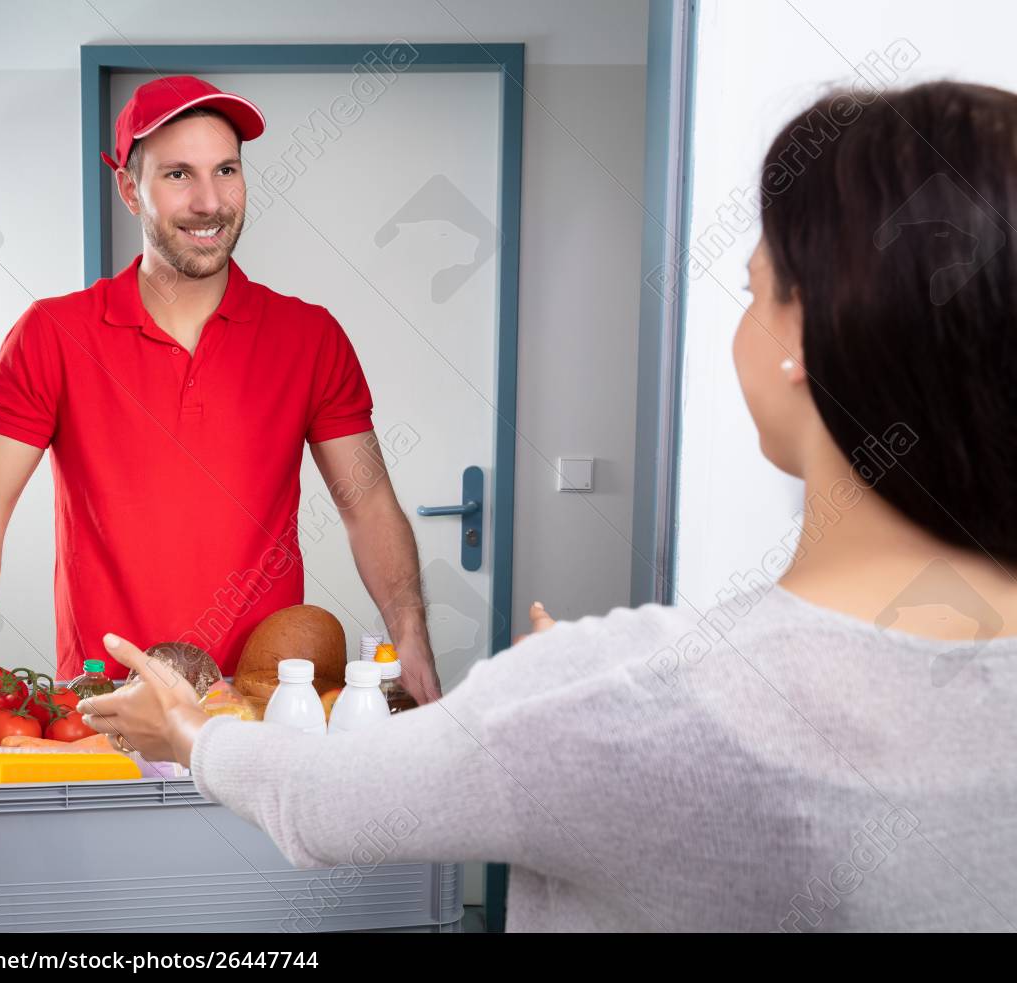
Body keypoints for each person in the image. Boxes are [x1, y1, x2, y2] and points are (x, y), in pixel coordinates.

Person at [82, 80, 1017, 931]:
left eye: (754, 289)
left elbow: (318, 802)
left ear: (803, 339)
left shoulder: (619, 697)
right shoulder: (605, 699)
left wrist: (189, 729)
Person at [0, 75, 442, 759]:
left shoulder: (309, 337)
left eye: (226, 170)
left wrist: (411, 642)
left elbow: (369, 502)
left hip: (262, 716)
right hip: (105, 713)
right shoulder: (52, 335)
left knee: (261, 870)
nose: (209, 201)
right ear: (131, 190)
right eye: (178, 174)